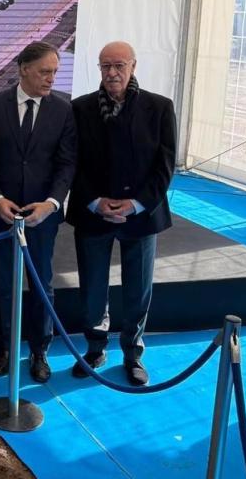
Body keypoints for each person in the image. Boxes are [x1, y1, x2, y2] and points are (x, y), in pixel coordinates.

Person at [67, 40, 176, 386]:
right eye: (105, 66)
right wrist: (95, 202)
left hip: (142, 216)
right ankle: (95, 348)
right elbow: (72, 163)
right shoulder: (80, 109)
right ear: (98, 69)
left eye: (119, 65)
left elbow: (165, 166)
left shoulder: (159, 107)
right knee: (93, 288)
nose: (112, 72)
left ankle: (133, 353)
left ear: (133, 66)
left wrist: (135, 204)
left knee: (138, 290)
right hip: (94, 213)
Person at [0, 41, 76, 383]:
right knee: (4, 284)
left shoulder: (63, 109)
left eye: (54, 72)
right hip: (1, 214)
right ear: (23, 69)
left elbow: (66, 164)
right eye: (44, 71)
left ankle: (39, 350)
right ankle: (5, 347)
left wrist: (51, 204)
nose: (51, 79)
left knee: (41, 284)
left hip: (41, 216)